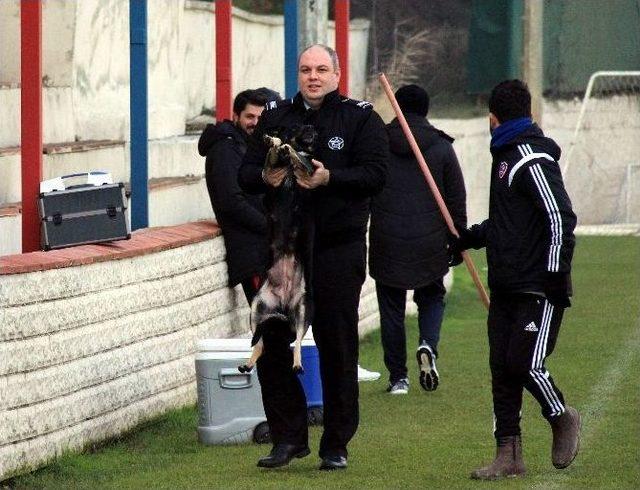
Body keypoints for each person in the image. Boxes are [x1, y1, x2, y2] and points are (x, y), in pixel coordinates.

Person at [239, 44, 388, 471]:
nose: (313, 77)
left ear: (337, 74)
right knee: (270, 342)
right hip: (285, 251)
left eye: (322, 69)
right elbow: (245, 174)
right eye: (306, 70)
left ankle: (335, 444)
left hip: (337, 247)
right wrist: (265, 176)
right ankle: (288, 437)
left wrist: (329, 178)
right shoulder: (276, 117)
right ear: (298, 75)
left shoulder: (360, 117)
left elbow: (377, 175)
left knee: (336, 346)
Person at [450, 80, 580, 479]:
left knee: (524, 363)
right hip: (506, 285)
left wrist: (556, 276)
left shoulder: (530, 156)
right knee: (501, 371)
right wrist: (472, 236)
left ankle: (562, 416)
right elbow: (509, 224)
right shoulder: (504, 156)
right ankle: (509, 455)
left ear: (493, 119)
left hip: (537, 287)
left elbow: (560, 218)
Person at [369, 84, 467, 395]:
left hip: (387, 238)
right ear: (425, 110)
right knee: (432, 296)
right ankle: (427, 343)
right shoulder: (441, 146)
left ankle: (399, 377)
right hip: (430, 240)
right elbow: (456, 197)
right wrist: (459, 239)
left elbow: (364, 187)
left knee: (391, 308)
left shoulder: (377, 142)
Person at [198, 88, 281, 304]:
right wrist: (271, 227)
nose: (255, 122)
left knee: (281, 326)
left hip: (269, 250)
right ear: (236, 116)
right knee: (269, 325)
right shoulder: (226, 148)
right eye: (249, 116)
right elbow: (231, 202)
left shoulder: (255, 146)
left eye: (260, 117)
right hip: (252, 254)